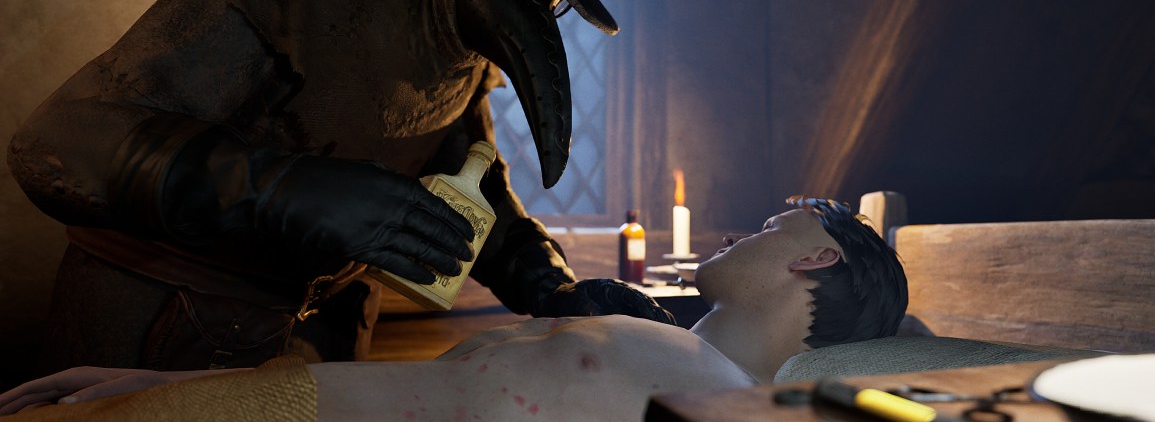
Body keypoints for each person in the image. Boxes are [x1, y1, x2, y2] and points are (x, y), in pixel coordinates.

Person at [4, 0, 671, 375]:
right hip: (151, 338)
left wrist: (551, 286)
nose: (533, 12)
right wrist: (284, 189)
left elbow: (474, 195)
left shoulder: (462, 56)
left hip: (310, 352)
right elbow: (56, 144)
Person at [0, 197, 910, 421]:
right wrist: (169, 390)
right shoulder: (658, 343)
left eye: (764, 226)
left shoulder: (720, 403)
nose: (732, 238)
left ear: (817, 256)